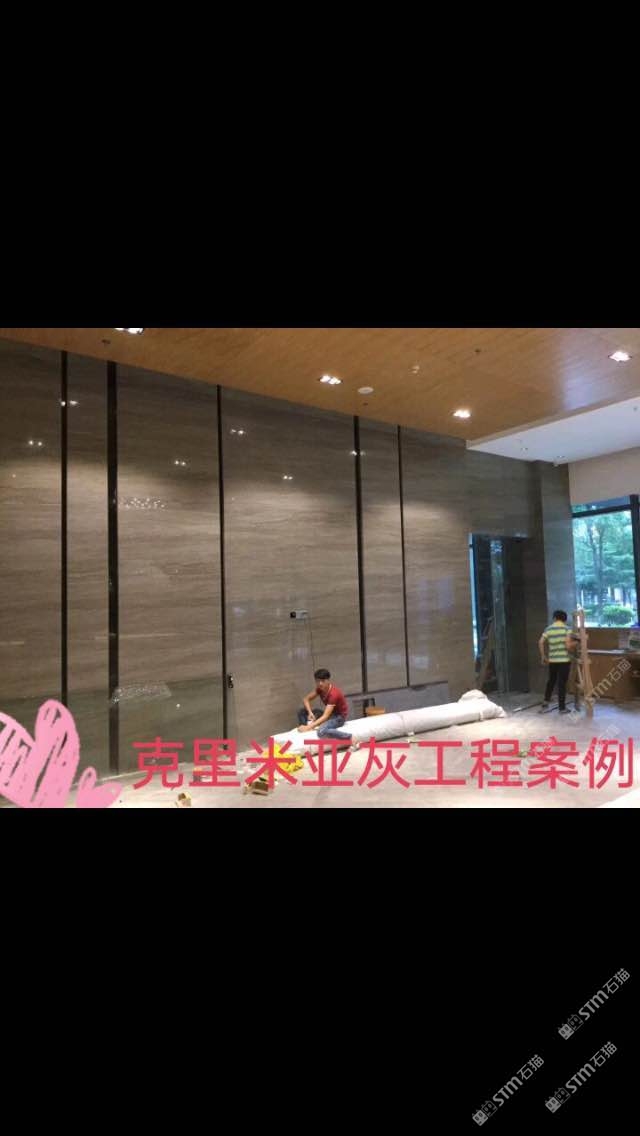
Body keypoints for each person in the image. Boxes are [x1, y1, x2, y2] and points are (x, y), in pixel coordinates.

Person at [297, 668, 353, 742]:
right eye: (318, 681)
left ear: (328, 680)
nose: (320, 683)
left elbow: (325, 716)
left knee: (321, 731)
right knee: (301, 711)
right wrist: (310, 712)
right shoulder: (320, 689)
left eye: (323, 681)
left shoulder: (334, 694)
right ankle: (304, 732)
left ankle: (349, 737)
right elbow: (306, 699)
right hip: (330, 714)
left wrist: (309, 727)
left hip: (339, 717)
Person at [538, 610, 574, 713]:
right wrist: (576, 643)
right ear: (565, 619)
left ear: (554, 618)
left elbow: (540, 642)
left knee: (551, 681)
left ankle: (546, 701)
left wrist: (543, 656)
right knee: (562, 684)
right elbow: (568, 646)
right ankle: (562, 708)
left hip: (552, 660)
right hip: (564, 661)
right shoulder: (567, 629)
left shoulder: (548, 629)